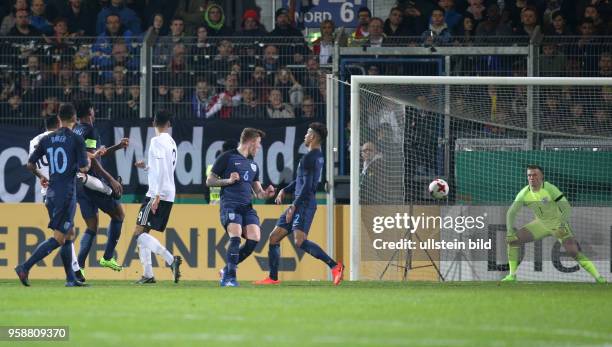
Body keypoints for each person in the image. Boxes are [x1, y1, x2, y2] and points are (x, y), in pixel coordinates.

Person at [254, 123, 344, 285]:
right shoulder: (315, 156)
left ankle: (335, 266)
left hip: (304, 204)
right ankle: (273, 278)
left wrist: (294, 206)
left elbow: (308, 186)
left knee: (300, 241)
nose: (305, 136)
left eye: (308, 133)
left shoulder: (311, 157)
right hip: (300, 202)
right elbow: (301, 180)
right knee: (274, 237)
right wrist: (284, 190)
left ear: (314, 137)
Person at [15, 103, 90, 287]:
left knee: (68, 233)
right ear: (74, 119)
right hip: (66, 194)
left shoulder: (47, 139)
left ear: (59, 118)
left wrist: (41, 177)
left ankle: (70, 279)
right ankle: (25, 267)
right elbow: (83, 168)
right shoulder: (76, 139)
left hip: (51, 192)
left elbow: (30, 165)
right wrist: (88, 161)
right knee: (59, 237)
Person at [503, 165, 606, 283]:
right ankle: (512, 276)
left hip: (558, 224)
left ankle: (599, 278)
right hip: (540, 224)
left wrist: (562, 225)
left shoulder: (549, 188)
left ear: (541, 177)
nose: (531, 177)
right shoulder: (524, 192)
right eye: (529, 175)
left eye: (534, 175)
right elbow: (511, 212)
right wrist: (510, 231)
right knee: (513, 240)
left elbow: (566, 207)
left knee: (573, 252)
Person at [206, 128, 276, 287]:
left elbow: (258, 193)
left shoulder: (253, 165)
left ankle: (225, 270)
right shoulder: (227, 157)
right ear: (250, 142)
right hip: (230, 205)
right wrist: (227, 181)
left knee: (254, 238)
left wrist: (267, 193)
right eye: (258, 144)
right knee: (236, 235)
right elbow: (209, 181)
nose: (258, 148)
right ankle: (229, 278)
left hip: (247, 207)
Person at [73, 99, 128, 279]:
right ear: (89, 113)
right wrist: (111, 180)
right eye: (93, 110)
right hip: (93, 184)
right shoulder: (90, 130)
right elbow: (93, 161)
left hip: (79, 184)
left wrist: (117, 147)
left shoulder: (76, 130)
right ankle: (107, 256)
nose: (94, 113)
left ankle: (79, 268)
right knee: (119, 215)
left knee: (92, 226)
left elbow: (93, 154)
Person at [133, 110, 182, 284]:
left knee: (138, 233)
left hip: (157, 193)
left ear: (154, 123)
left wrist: (157, 196)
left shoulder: (156, 141)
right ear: (168, 124)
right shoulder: (171, 142)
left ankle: (171, 260)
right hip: (169, 192)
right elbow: (164, 167)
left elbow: (161, 169)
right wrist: (146, 167)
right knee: (144, 232)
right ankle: (148, 274)